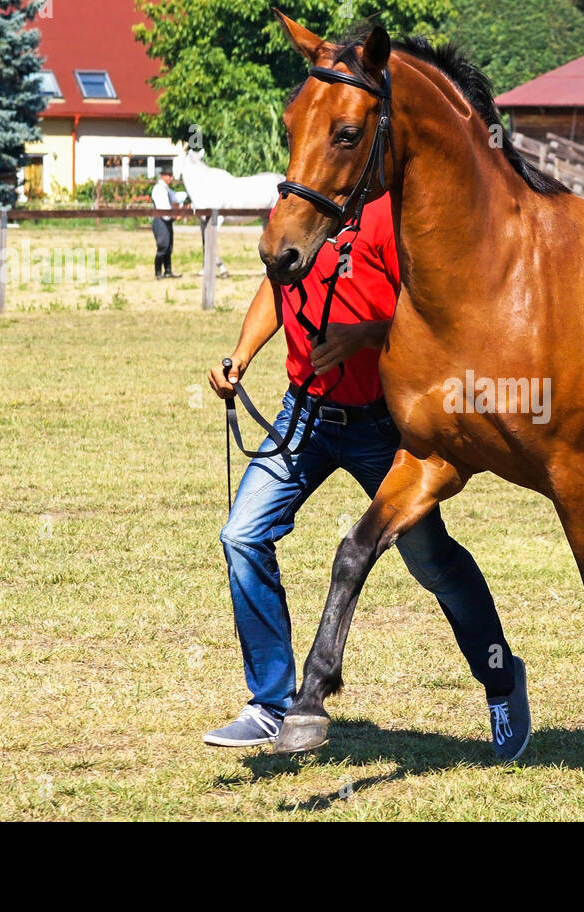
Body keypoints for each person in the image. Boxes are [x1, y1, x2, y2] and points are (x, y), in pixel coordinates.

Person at [203, 194, 532, 759]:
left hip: (382, 424)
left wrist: (364, 336)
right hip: (304, 413)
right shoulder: (296, 208)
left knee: (431, 561)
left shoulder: (386, 214)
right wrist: (240, 356)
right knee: (241, 535)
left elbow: (430, 313)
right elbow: (275, 287)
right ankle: (271, 703)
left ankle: (502, 680)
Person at [150, 169, 186, 279]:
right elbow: (164, 208)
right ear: (163, 176)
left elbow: (176, 197)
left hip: (167, 220)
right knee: (163, 246)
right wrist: (174, 215)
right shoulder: (159, 189)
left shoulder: (167, 189)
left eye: (171, 176)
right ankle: (158, 272)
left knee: (169, 247)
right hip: (160, 220)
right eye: (169, 175)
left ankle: (168, 271)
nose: (171, 178)